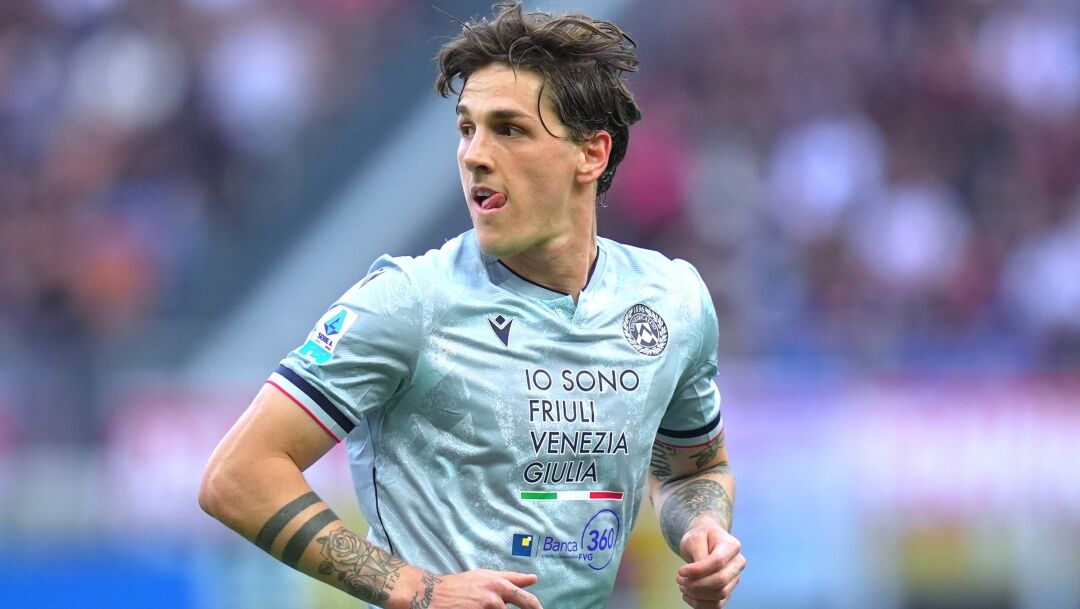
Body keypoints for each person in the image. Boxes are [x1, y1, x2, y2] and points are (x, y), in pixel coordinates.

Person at [199, 2, 745, 608]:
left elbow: (693, 469)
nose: (474, 154)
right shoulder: (408, 303)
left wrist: (703, 530)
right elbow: (238, 474)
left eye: (509, 129)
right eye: (467, 129)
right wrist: (415, 588)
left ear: (591, 154)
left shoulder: (671, 300)